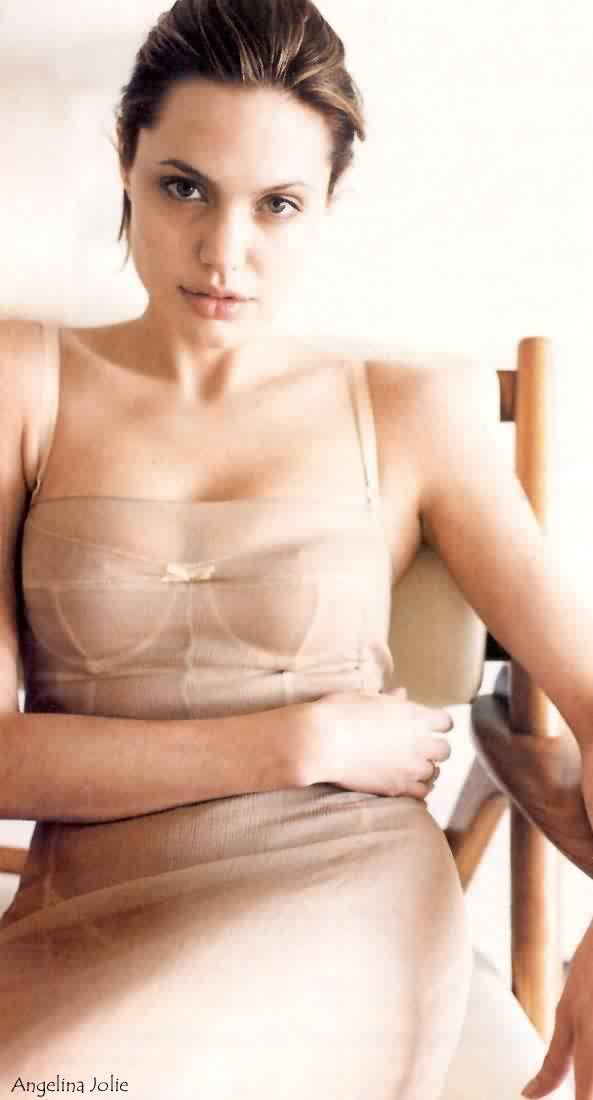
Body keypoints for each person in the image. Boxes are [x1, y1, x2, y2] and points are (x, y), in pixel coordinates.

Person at [0, 1, 591, 1097]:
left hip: (339, 903)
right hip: (82, 920)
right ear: (126, 160)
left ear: (325, 204)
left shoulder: (409, 408)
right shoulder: (23, 382)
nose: (223, 251)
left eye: (276, 204)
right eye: (184, 187)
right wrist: (298, 739)